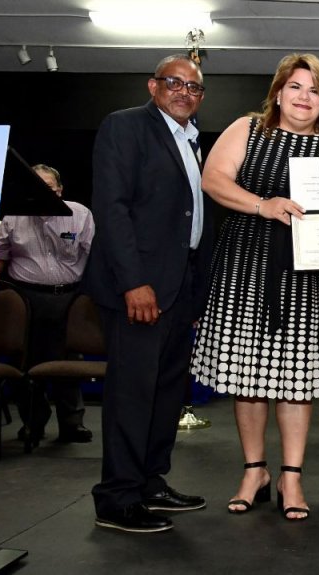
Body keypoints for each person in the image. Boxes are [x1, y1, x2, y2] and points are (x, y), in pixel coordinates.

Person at [190, 53, 319, 522]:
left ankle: (292, 477)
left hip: (308, 280)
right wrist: (264, 205)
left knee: (296, 382)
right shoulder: (248, 129)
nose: (304, 98)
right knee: (248, 378)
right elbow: (212, 179)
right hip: (247, 269)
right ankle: (255, 470)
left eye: (314, 90)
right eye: (296, 87)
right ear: (278, 92)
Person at [84, 54, 213, 533]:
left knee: (165, 392)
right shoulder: (126, 126)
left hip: (180, 287)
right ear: (153, 86)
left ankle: (150, 483)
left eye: (194, 88)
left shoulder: (191, 140)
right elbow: (112, 208)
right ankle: (117, 498)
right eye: (174, 83)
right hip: (139, 287)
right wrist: (134, 282)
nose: (184, 92)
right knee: (132, 393)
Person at [0, 164, 95, 444]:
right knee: (26, 364)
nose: (41, 193)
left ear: (59, 190)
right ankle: (33, 424)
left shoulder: (80, 214)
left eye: (48, 188)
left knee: (68, 361)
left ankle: (72, 424)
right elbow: (0, 254)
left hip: (70, 298)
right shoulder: (13, 216)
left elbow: (95, 256)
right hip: (27, 298)